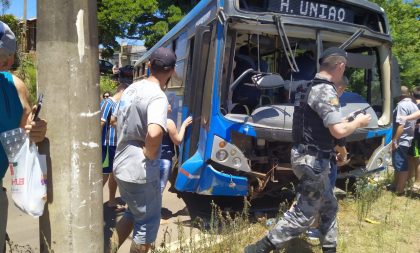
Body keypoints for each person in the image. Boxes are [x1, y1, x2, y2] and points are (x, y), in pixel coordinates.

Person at [244, 47, 371, 253]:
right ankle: (258, 249)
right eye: (344, 68)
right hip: (314, 161)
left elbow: (319, 128)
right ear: (340, 66)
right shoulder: (325, 90)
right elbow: (338, 130)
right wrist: (358, 122)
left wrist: (339, 147)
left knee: (329, 206)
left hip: (306, 156)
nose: (344, 71)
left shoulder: (307, 87)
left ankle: (330, 247)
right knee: (304, 213)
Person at [108, 47, 175, 253]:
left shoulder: (131, 89)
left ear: (148, 66)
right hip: (140, 171)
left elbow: (114, 120)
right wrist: (150, 153)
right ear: (171, 71)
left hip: (121, 163)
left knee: (132, 214)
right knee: (145, 226)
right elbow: (154, 133)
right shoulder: (158, 96)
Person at [0, 21, 47, 252]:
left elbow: (28, 132)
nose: (7, 63)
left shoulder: (13, 87)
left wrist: (37, 130)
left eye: (7, 57)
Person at [100, 84, 127, 211]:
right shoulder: (107, 103)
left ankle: (111, 201)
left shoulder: (116, 104)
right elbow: (101, 123)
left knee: (113, 174)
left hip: (114, 145)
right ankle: (91, 202)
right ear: (121, 91)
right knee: (104, 175)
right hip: (107, 144)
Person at [390, 86, 418, 195]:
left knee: (401, 165)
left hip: (401, 139)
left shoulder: (401, 106)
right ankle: (396, 185)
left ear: (399, 95)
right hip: (409, 138)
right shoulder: (414, 105)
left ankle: (399, 190)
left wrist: (394, 141)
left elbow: (401, 125)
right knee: (400, 163)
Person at [159, 105, 192, 194]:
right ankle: (154, 207)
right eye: (168, 103)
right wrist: (184, 125)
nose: (170, 105)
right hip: (164, 159)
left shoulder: (151, 120)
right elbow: (178, 141)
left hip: (151, 158)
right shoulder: (168, 122)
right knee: (160, 188)